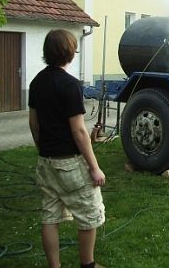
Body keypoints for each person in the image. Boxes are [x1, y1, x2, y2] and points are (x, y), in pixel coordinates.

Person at [28, 29, 106, 268]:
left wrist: (43, 148)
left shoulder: (36, 83)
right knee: (89, 214)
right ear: (70, 52)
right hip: (70, 163)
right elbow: (78, 131)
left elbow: (34, 124)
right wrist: (94, 167)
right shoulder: (71, 85)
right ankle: (88, 265)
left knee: (50, 216)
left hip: (46, 161)